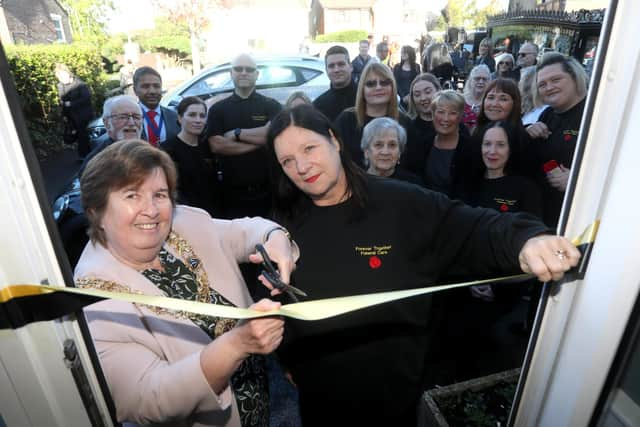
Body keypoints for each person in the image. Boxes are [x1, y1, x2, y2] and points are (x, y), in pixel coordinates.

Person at [263, 104, 579, 427]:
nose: (301, 166)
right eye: (287, 161)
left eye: (309, 148)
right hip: (320, 399)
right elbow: (279, 297)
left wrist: (525, 240)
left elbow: (472, 227)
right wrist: (287, 355)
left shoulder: (402, 204)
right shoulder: (284, 223)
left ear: (335, 140)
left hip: (395, 398)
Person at [75, 139, 298, 427]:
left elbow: (245, 231)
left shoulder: (185, 224)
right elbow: (148, 398)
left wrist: (274, 239)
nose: (152, 210)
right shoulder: (93, 298)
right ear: (95, 210)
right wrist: (236, 345)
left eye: (160, 194)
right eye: (132, 195)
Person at [205, 53, 282, 219]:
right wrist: (262, 142)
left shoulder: (271, 105)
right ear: (231, 73)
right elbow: (217, 145)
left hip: (267, 194)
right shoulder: (218, 110)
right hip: (232, 196)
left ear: (257, 74)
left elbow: (273, 134)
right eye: (238, 69)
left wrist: (237, 134)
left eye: (249, 69)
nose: (244, 72)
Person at [525, 52, 589, 227]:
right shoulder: (548, 114)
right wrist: (528, 131)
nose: (549, 87)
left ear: (575, 78)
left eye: (556, 80)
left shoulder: (595, 113)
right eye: (542, 84)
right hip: (545, 214)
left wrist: (578, 179)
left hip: (579, 217)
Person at [334, 61, 410, 168]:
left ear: (392, 87)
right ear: (362, 89)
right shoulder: (347, 120)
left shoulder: (404, 122)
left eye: (384, 82)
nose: (378, 87)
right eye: (371, 84)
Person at [162, 96, 219, 216]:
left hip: (213, 215)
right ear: (180, 118)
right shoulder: (167, 150)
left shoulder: (209, 147)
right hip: (184, 215)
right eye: (192, 115)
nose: (198, 120)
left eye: (202, 116)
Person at [423, 90, 474, 196]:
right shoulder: (423, 144)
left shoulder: (471, 148)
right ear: (433, 114)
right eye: (441, 112)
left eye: (452, 113)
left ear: (460, 117)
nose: (445, 118)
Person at [360, 117, 423, 185]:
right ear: (366, 152)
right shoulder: (355, 183)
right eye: (378, 145)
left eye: (392, 145)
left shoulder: (414, 184)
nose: (385, 152)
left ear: (400, 152)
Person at [402, 73, 441, 175]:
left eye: (428, 92)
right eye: (417, 95)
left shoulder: (452, 124)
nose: (423, 98)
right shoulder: (408, 128)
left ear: (438, 91)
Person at [55, 63, 95, 157]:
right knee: (78, 135)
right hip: (71, 115)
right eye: (59, 78)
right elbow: (62, 100)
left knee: (83, 135)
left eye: (63, 77)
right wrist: (64, 115)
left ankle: (85, 155)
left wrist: (72, 103)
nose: (61, 80)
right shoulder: (61, 86)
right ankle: (85, 154)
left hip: (83, 114)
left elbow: (86, 98)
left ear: (68, 74)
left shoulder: (80, 84)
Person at [133, 66, 180, 146]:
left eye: (156, 86)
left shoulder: (175, 117)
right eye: (145, 86)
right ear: (135, 90)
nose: (152, 91)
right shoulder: (128, 118)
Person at [312, 45, 357, 122]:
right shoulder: (318, 105)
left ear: (351, 67)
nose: (336, 69)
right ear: (326, 70)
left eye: (341, 64)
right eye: (331, 66)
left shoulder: (365, 97)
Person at [462, 64, 491, 132]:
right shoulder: (460, 100)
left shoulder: (491, 103)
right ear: (470, 81)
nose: (481, 82)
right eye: (477, 79)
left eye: (484, 79)